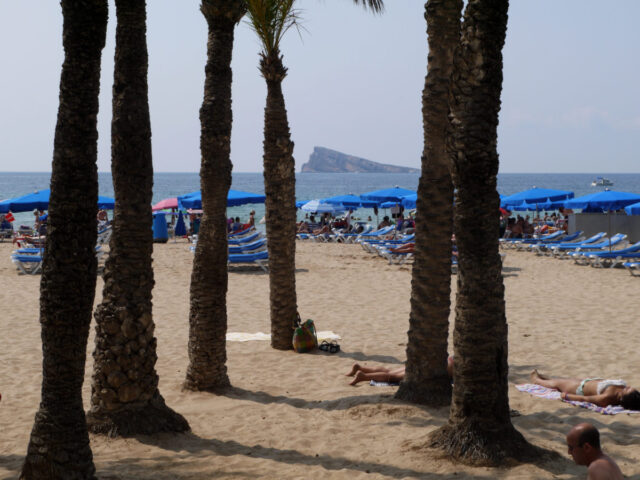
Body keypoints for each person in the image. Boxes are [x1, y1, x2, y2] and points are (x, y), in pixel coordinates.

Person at [530, 369, 640, 409]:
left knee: (557, 384)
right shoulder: (621, 390)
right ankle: (548, 379)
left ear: (623, 398)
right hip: (587, 382)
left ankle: (537, 381)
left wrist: (567, 396)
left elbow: (586, 399)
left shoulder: (606, 398)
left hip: (578, 388)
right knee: (562, 380)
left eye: (628, 390)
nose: (628, 387)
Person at [347, 356, 454, 386]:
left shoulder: (459, 352)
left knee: (390, 371)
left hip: (431, 358)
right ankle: (363, 376)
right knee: (393, 377)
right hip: (432, 369)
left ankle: (360, 368)